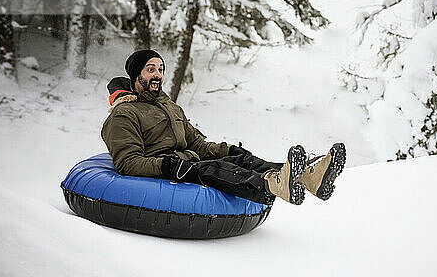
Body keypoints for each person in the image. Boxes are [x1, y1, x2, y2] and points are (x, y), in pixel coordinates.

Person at [101, 49, 346, 206]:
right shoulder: (124, 114)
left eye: (161, 69)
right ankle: (272, 185)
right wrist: (167, 164)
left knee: (242, 161)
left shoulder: (169, 106)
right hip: (168, 171)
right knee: (216, 168)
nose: (157, 75)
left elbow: (196, 143)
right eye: (150, 69)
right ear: (137, 76)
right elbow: (127, 162)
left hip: (188, 161)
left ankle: (307, 178)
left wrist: (227, 149)